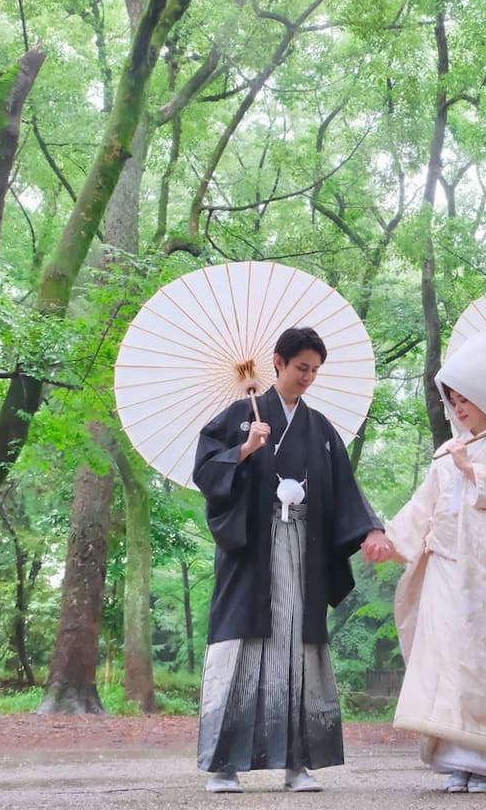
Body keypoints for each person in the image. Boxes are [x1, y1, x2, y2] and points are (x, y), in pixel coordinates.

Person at [192, 325, 390, 794]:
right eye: (302, 368)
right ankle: (224, 766)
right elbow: (204, 472)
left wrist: (372, 528)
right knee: (240, 651)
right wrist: (244, 450)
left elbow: (344, 487)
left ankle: (297, 764)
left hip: (302, 550)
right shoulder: (240, 416)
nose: (308, 377)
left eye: (315, 371)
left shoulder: (319, 428)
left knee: (298, 653)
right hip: (251, 553)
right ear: (277, 363)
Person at [363, 332, 486, 794]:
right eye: (454, 400)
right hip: (445, 569)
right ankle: (455, 761)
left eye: (467, 399)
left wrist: (473, 471)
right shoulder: (447, 452)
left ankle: (485, 762)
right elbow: (425, 507)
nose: (459, 409)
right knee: (445, 656)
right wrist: (388, 540)